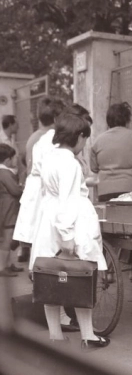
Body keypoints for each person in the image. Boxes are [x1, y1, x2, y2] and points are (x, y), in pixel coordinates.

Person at [29, 112, 109, 349]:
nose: (84, 144)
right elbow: (68, 200)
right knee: (82, 275)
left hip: (48, 220)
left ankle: (56, 335)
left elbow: (48, 195)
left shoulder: (49, 158)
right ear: (79, 136)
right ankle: (88, 335)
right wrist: (68, 236)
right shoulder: (69, 163)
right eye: (85, 138)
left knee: (50, 277)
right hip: (70, 222)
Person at [13, 97, 66, 262]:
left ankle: (38, 267)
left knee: (38, 233)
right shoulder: (47, 137)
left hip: (36, 186)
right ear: (56, 119)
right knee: (42, 233)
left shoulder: (36, 136)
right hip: (40, 188)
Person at [90, 101, 132, 202]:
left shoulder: (97, 141)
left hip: (105, 191)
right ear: (127, 120)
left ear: (108, 121)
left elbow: (94, 168)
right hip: (131, 188)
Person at [0, 144, 23, 276]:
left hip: (6, 208)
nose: (16, 160)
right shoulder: (5, 173)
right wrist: (22, 189)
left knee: (9, 238)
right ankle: (3, 267)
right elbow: (14, 190)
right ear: (8, 159)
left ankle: (8, 264)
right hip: (8, 209)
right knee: (7, 239)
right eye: (14, 158)